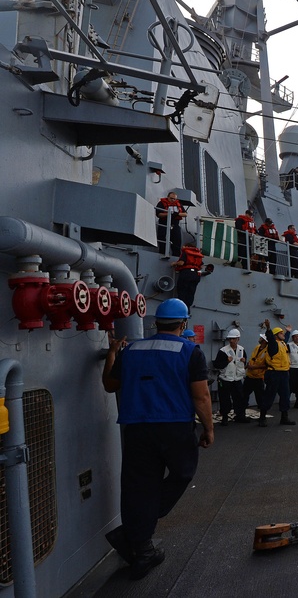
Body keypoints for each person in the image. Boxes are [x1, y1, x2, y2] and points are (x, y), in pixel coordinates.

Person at [101, 298, 212, 580]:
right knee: (183, 472)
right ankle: (138, 531)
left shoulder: (133, 350)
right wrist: (209, 429)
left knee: (139, 486)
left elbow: (110, 384)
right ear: (183, 323)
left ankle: (142, 548)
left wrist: (113, 353)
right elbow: (201, 396)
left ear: (156, 322)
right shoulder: (190, 351)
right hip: (174, 426)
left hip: (137, 428)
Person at [259, 319, 294, 426]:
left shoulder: (282, 343)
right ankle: (262, 417)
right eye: (280, 333)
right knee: (269, 396)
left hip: (284, 374)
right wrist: (268, 328)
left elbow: (286, 338)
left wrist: (287, 331)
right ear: (275, 336)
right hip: (274, 374)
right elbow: (270, 338)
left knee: (285, 396)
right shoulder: (273, 345)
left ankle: (284, 418)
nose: (283, 334)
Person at [213, 328, 249, 425]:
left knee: (239, 398)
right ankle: (225, 417)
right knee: (225, 399)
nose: (231, 341)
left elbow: (245, 360)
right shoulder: (223, 351)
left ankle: (240, 416)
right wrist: (227, 361)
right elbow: (217, 364)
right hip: (225, 379)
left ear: (238, 339)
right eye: (230, 339)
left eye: (233, 339)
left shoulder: (241, 349)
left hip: (237, 378)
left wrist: (244, 360)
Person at [172, 241, 213, 309]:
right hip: (196, 275)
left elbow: (181, 263)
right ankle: (187, 308)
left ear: (187, 247)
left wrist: (174, 264)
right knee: (191, 292)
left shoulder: (186, 252)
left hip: (186, 273)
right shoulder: (198, 254)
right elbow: (201, 266)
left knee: (182, 290)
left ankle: (181, 308)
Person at [155, 191, 186, 257]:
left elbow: (185, 214)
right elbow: (159, 214)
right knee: (162, 238)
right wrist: (168, 214)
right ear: (168, 197)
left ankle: (176, 255)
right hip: (164, 224)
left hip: (175, 224)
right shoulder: (161, 203)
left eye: (174, 199)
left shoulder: (178, 204)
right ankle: (162, 253)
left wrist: (177, 214)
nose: (173, 200)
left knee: (177, 240)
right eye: (171, 198)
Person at [243, 334, 268, 413]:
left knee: (260, 398)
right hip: (250, 376)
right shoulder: (257, 347)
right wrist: (247, 366)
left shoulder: (268, 351)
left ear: (264, 340)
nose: (259, 338)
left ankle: (262, 416)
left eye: (261, 338)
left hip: (259, 378)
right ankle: (242, 413)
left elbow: (267, 364)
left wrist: (254, 367)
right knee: (244, 395)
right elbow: (252, 359)